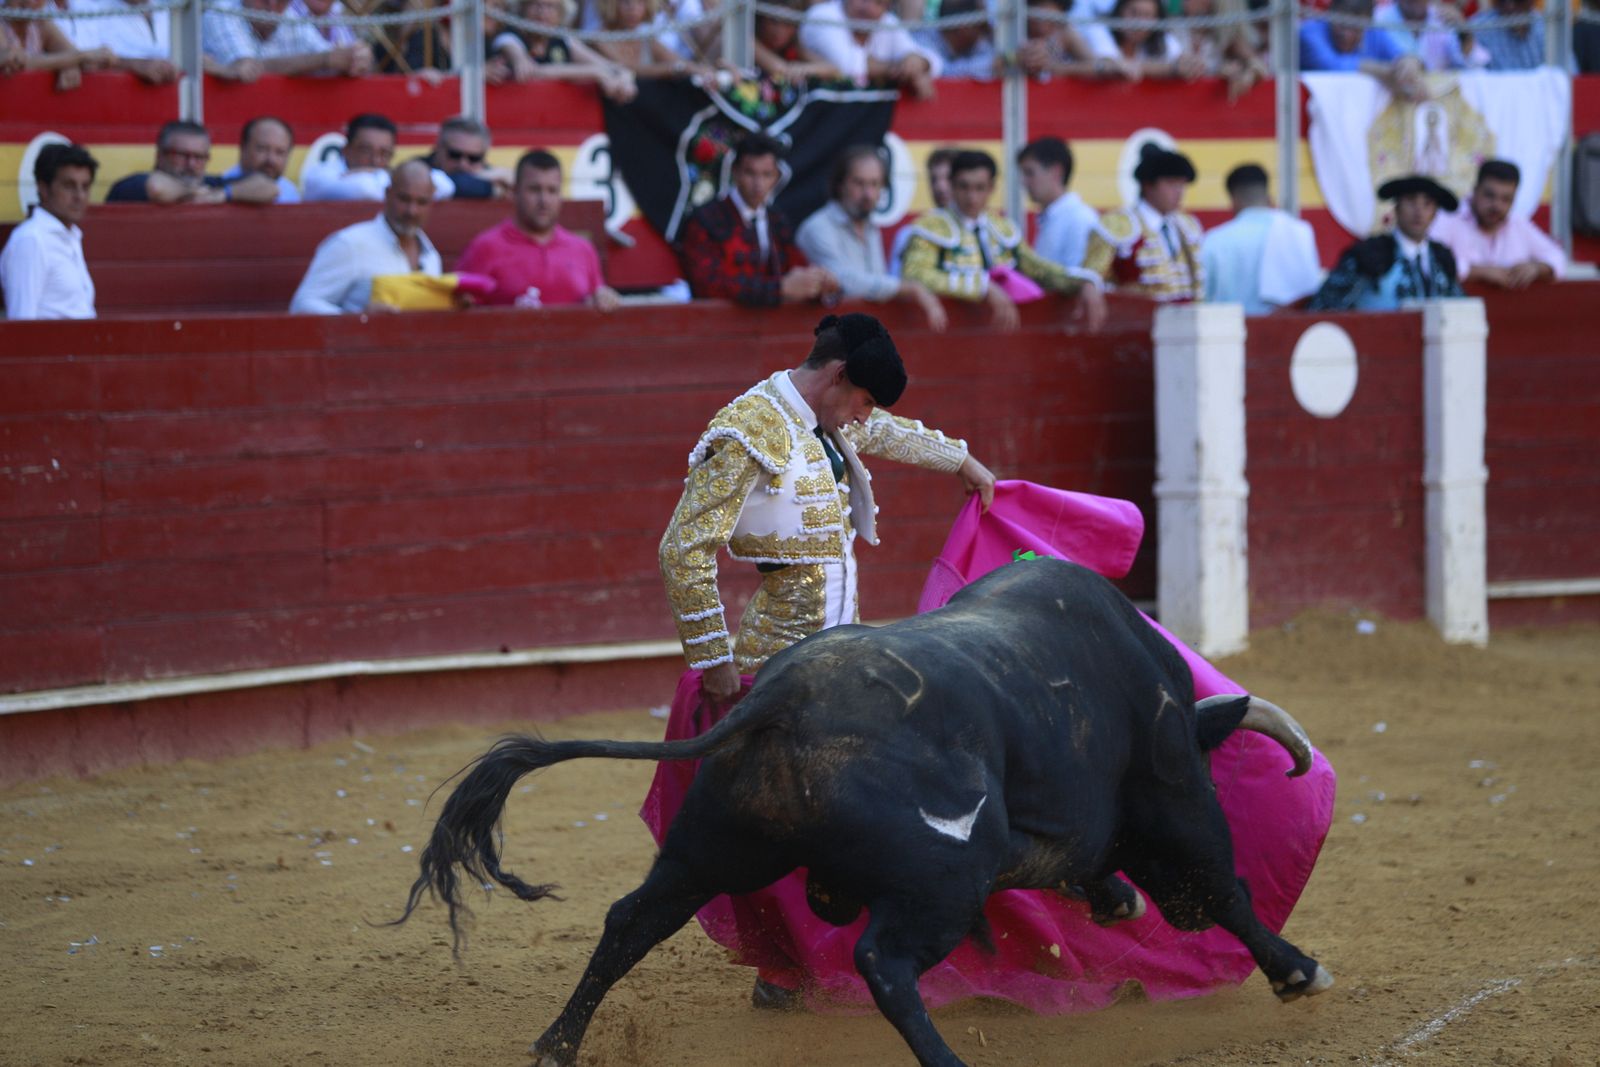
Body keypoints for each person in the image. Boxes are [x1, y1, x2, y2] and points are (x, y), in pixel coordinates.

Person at [658, 310, 995, 711]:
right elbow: (683, 548)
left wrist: (962, 460)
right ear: (838, 376)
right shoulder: (749, 430)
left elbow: (885, 431)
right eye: (866, 401)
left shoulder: (826, 413)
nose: (864, 416)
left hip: (845, 646)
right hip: (779, 657)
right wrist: (712, 656)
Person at [901, 149, 1107, 332]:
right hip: (947, 335)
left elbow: (1039, 270)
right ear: (952, 185)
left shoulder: (1002, 229)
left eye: (980, 188)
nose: (972, 198)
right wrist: (982, 287)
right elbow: (915, 274)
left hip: (999, 335)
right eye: (964, 187)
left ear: (991, 188)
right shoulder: (929, 228)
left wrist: (1085, 282)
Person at [796, 145, 948, 331]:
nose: (868, 194)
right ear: (840, 184)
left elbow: (874, 285)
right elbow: (845, 281)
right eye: (859, 183)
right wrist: (908, 288)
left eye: (875, 184)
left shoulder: (869, 226)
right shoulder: (817, 228)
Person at [678, 133, 839, 307]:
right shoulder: (706, 219)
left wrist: (817, 281)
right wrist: (780, 288)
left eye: (766, 174)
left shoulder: (776, 219)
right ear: (736, 172)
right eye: (750, 173)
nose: (758, 184)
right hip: (717, 328)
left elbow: (795, 264)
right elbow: (707, 285)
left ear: (776, 176)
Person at [455, 149, 620, 310]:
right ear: (515, 192)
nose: (544, 200)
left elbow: (598, 300)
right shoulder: (484, 248)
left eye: (552, 190)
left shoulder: (583, 249)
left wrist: (604, 298)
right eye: (534, 189)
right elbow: (461, 316)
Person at [289, 159, 442, 314]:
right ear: (388, 194)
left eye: (422, 202)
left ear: (431, 203)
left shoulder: (431, 256)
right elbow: (302, 305)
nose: (412, 211)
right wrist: (359, 319)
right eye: (404, 199)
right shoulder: (350, 244)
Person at [1308, 174, 1464, 310]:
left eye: (1427, 203)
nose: (1419, 211)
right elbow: (1324, 307)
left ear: (1435, 213)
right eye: (1410, 200)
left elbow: (1461, 310)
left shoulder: (1442, 258)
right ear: (1396, 208)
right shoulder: (1368, 254)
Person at [1083, 143, 1205, 303]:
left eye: (1182, 184)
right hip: (1137, 324)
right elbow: (1091, 282)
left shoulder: (1188, 226)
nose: (1179, 191)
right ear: (1147, 184)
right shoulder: (1116, 225)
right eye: (1171, 183)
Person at [1201, 164, 1322, 314]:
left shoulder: (1215, 240)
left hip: (1230, 333)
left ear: (1233, 200)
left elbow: (1203, 298)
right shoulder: (1300, 231)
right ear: (1269, 197)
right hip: (1288, 331)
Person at [1429, 159, 1565, 289]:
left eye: (1506, 199)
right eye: (1489, 195)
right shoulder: (1448, 218)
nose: (1497, 206)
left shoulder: (1517, 224)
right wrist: (1480, 271)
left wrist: (1537, 268)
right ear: (1475, 190)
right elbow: (1429, 262)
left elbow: (1558, 257)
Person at [1, 142, 97, 320]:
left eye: (85, 187)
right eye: (69, 185)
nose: (80, 196)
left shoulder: (71, 236)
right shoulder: (31, 240)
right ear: (43, 188)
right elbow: (21, 322)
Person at [103, 120, 281, 205]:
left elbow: (269, 187)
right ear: (160, 156)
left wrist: (221, 195)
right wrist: (195, 192)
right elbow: (158, 188)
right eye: (182, 155)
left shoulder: (213, 185)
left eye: (199, 157)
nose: (191, 164)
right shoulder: (131, 185)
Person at [799, 0, 940, 99]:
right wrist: (902, 69)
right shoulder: (822, 16)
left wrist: (918, 62)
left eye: (878, 2)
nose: (868, 8)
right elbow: (847, 66)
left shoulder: (887, 22)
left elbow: (936, 63)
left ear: (887, 7)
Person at [300, 113, 453, 202]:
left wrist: (386, 175)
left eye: (384, 153)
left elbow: (445, 185)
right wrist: (387, 176)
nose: (375, 160)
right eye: (366, 150)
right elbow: (364, 189)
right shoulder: (319, 175)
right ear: (346, 150)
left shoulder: (386, 177)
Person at [202, 0, 372, 79]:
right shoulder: (222, 10)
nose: (272, 2)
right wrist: (325, 60)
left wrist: (355, 58)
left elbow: (331, 57)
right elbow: (248, 69)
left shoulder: (289, 15)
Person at [1299, 0, 1427, 101]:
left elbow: (1402, 55)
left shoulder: (1374, 32)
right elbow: (1331, 66)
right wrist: (1382, 71)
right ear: (1330, 14)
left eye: (1355, 29)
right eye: (1342, 25)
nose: (1347, 35)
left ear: (1368, 23)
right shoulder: (1309, 32)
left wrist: (1409, 64)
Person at [1017, 136, 1100, 271]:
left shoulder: (1079, 219)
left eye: (1030, 173)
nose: (1024, 182)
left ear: (1057, 171)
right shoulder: (1056, 216)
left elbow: (1077, 281)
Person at [2, 0, 114, 91]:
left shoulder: (41, 23)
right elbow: (15, 62)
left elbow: (76, 56)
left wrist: (71, 64)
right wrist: (79, 58)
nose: (30, 1)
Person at [888, 145, 957, 276]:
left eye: (948, 178)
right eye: (934, 180)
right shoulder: (909, 233)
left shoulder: (981, 230)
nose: (940, 187)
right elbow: (896, 283)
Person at [1078, 0, 1191, 79]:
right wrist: (1170, 68)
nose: (1139, 22)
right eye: (1134, 13)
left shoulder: (1163, 40)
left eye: (1147, 16)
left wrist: (1187, 64)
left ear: (1157, 19)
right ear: (1120, 11)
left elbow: (1183, 63)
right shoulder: (1099, 30)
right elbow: (1112, 66)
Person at [415, 115, 513, 200]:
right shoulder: (416, 168)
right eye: (455, 155)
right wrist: (490, 188)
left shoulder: (491, 176)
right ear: (438, 149)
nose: (463, 164)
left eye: (473, 158)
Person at [1373, 0, 1483, 71]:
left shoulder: (1442, 18)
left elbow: (1475, 64)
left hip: (1439, 100)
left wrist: (1463, 32)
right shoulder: (1378, 19)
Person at [754, 0, 842, 81]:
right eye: (774, 21)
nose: (780, 30)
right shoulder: (748, 39)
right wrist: (795, 70)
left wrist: (804, 69)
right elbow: (781, 69)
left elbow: (834, 69)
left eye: (788, 23)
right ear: (762, 18)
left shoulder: (795, 47)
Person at [221, 115, 299, 203]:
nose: (271, 159)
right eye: (262, 149)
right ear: (243, 148)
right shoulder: (222, 185)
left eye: (280, 152)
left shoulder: (290, 193)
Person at [914, 0, 997, 79]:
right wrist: (991, 65)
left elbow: (987, 52)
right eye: (981, 27)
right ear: (964, 27)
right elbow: (944, 72)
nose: (983, 34)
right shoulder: (923, 42)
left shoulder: (969, 45)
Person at [1468, 0, 1544, 71]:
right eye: (1504, 1)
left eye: (1518, 1)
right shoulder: (1479, 27)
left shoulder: (1546, 26)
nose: (1510, 6)